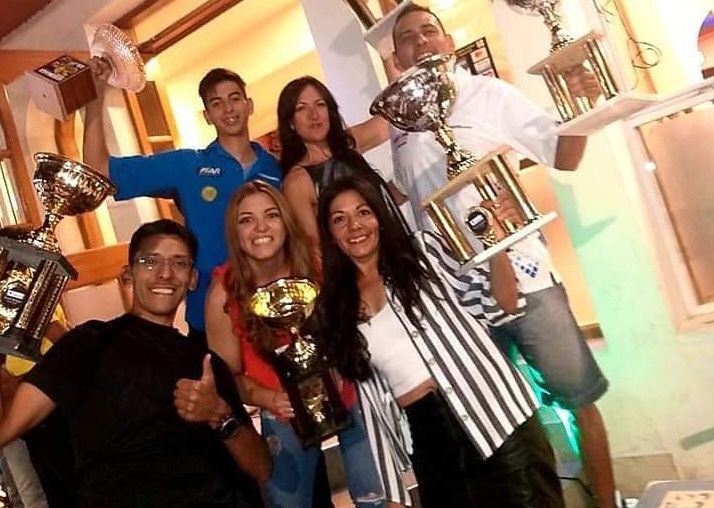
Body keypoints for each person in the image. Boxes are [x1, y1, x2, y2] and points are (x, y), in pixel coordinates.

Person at [386, 4, 615, 507]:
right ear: (396, 58)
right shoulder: (401, 125)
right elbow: (406, 195)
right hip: (458, 300)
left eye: (429, 31)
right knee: (498, 422)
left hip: (527, 281)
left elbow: (563, 156)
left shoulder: (489, 94)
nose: (421, 42)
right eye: (407, 38)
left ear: (448, 42)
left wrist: (583, 106)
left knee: (579, 400)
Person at [317, 174, 565, 508]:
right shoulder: (338, 307)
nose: (354, 226)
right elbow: (371, 400)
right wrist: (393, 492)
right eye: (340, 219)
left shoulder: (424, 252)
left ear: (379, 215)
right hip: (432, 446)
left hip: (499, 421)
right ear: (330, 234)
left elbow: (502, 305)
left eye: (363, 212)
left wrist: (496, 243)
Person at [0, 219, 270, 508]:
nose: (165, 273)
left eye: (179, 263)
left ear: (192, 279)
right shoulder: (88, 344)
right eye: (150, 261)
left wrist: (221, 416)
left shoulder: (207, 364)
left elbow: (262, 468)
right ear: (129, 273)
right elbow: (6, 427)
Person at [203, 180, 386, 508]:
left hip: (347, 394)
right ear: (234, 232)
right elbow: (226, 377)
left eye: (271, 215)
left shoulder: (318, 264)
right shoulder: (223, 292)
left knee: (377, 497)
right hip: (281, 409)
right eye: (246, 220)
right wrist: (270, 398)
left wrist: (342, 365)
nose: (261, 228)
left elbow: (357, 327)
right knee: (287, 503)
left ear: (286, 222)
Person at [83, 63, 282, 343]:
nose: (228, 109)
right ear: (208, 116)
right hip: (210, 316)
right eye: (217, 103)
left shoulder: (278, 169)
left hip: (276, 311)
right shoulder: (188, 166)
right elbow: (99, 171)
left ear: (249, 105)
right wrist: (95, 99)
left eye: (235, 98)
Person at [277, 76, 393, 249]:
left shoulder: (349, 143)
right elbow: (315, 249)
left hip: (394, 244)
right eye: (301, 108)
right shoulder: (296, 182)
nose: (314, 115)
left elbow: (396, 117)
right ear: (291, 122)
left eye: (320, 104)